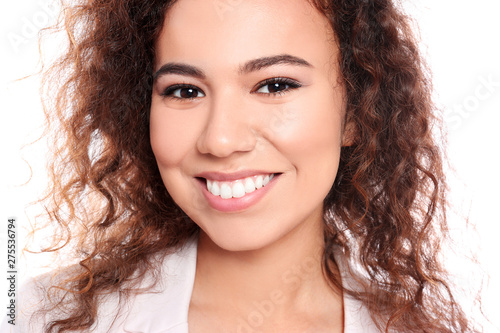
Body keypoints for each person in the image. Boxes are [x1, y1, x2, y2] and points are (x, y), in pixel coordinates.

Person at [4, 0, 480, 332]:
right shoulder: (33, 318)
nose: (221, 140)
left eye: (274, 85)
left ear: (355, 111)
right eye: (184, 91)